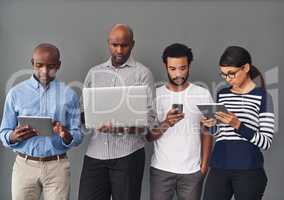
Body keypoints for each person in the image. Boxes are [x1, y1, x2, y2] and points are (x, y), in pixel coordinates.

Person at [78, 24, 155, 200]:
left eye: (124, 45)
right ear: (108, 43)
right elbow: (83, 112)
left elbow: (150, 120)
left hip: (128, 154)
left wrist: (121, 128)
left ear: (132, 44)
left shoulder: (143, 74)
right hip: (95, 154)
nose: (119, 50)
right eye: (114, 45)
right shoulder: (94, 73)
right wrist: (90, 118)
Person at [0, 43, 83, 200]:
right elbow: (4, 132)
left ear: (58, 65)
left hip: (57, 166)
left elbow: (77, 135)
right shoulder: (15, 93)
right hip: (24, 165)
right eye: (39, 65)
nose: (44, 71)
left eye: (50, 66)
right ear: (32, 64)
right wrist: (13, 136)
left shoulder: (69, 95)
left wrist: (66, 135)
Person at [202, 46, 275, 200]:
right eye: (223, 74)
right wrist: (209, 125)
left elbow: (266, 142)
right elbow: (219, 133)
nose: (227, 79)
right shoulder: (222, 94)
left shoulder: (264, 97)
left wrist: (238, 125)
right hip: (219, 166)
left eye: (231, 74)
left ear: (246, 68)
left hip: (249, 169)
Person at [146, 43, 213, 200]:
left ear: (189, 66)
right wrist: (166, 123)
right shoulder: (156, 95)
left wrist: (203, 166)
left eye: (183, 68)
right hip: (161, 170)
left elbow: (209, 132)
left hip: (192, 171)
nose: (178, 74)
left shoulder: (203, 93)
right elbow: (148, 136)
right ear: (166, 66)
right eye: (173, 69)